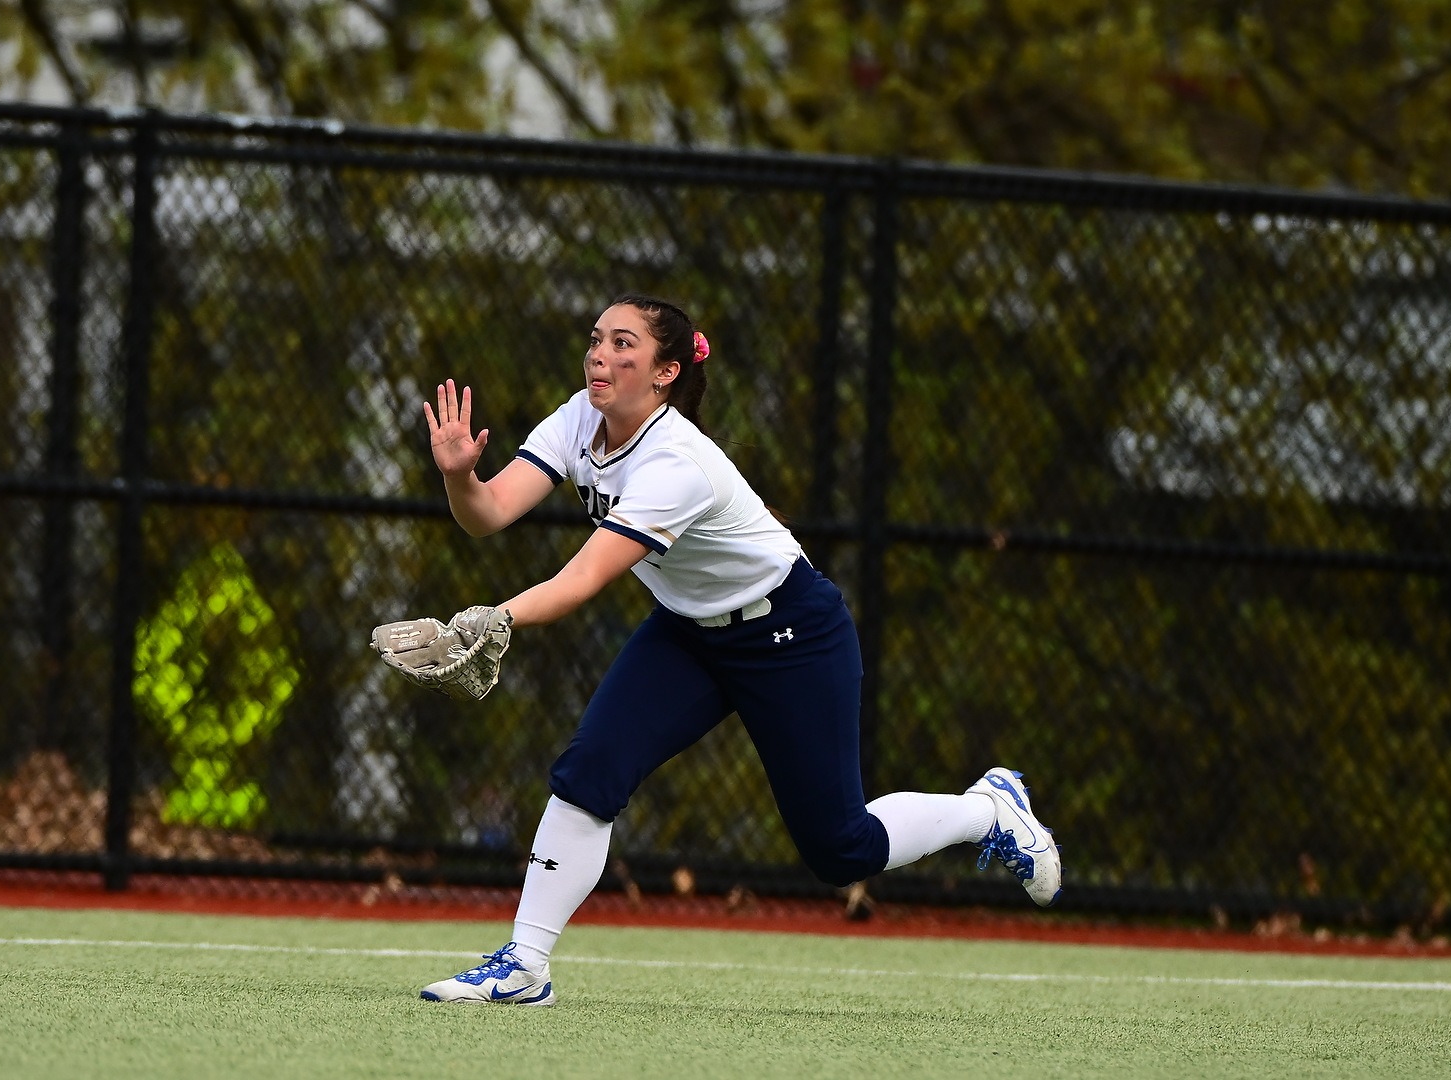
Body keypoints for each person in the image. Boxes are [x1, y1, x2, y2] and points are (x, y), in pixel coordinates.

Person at [415, 294, 1060, 1006]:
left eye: (624, 344)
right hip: (689, 630)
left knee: (839, 850)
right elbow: (491, 514)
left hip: (791, 633)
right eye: (596, 339)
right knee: (590, 768)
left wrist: (492, 618)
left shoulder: (677, 462)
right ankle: (525, 966)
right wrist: (458, 478)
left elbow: (585, 578)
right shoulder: (579, 417)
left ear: (663, 374)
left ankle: (989, 811)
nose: (600, 355)